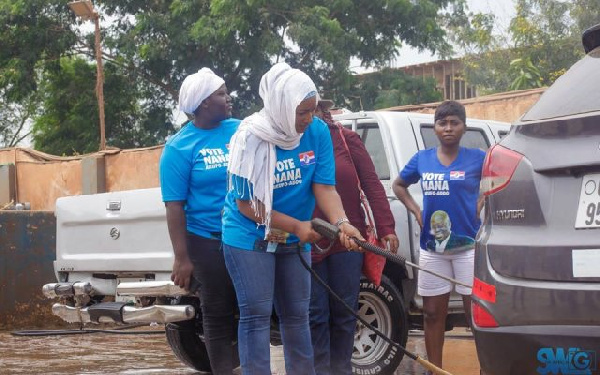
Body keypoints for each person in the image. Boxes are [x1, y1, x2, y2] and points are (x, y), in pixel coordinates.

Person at [221, 62, 363, 375]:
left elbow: (324, 186)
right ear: (282, 106)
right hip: (250, 236)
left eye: (312, 110)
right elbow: (247, 206)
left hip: (293, 237)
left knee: (297, 315)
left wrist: (341, 223)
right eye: (302, 112)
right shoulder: (251, 138)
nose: (309, 118)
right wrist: (298, 226)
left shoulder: (317, 132)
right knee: (257, 315)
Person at [392, 100, 484, 371]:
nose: (448, 128)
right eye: (442, 123)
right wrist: (416, 211)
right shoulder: (422, 159)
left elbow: (500, 178)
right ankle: (437, 370)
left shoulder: (477, 158)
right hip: (432, 250)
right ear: (434, 127)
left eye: (454, 122)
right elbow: (399, 185)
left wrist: (483, 201)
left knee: (475, 315)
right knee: (433, 314)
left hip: (468, 246)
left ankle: (485, 368)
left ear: (464, 127)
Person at [309, 99, 399, 375]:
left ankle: (342, 370)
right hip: (307, 239)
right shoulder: (294, 143)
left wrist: (387, 227)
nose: (315, 115)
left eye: (316, 109)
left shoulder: (347, 140)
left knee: (345, 313)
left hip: (348, 239)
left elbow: (371, 183)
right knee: (315, 315)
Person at [159, 68, 239, 375]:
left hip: (244, 234)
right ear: (203, 103)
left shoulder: (241, 130)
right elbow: (174, 206)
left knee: (252, 307)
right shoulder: (179, 148)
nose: (228, 98)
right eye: (220, 93)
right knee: (217, 313)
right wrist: (182, 257)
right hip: (206, 240)